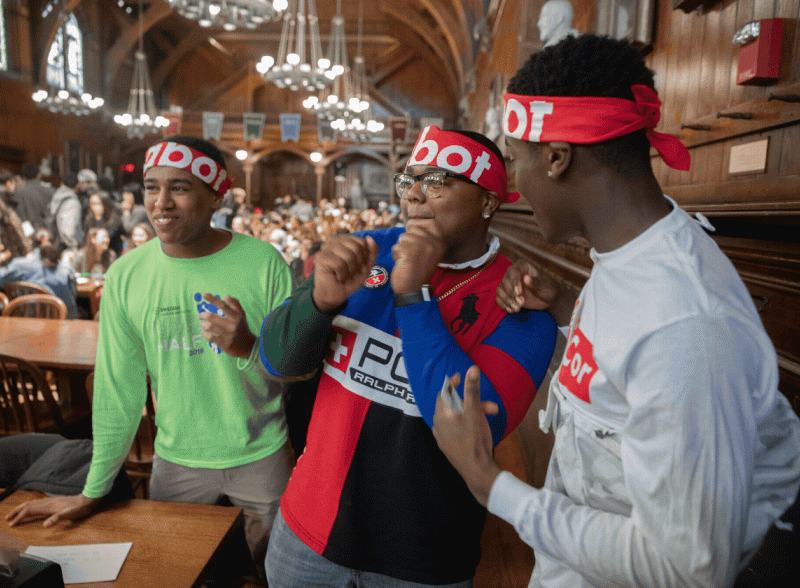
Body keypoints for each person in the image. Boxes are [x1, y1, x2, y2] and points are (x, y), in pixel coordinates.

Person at [431, 35, 800, 588]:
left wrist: (490, 483)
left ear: (556, 158)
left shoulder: (684, 323)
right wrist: (563, 306)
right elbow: (626, 375)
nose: (511, 186)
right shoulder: (632, 252)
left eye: (515, 161)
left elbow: (687, 567)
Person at [252, 126, 558, 587]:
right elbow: (275, 362)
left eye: (437, 181)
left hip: (422, 557)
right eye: (409, 180)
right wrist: (318, 302)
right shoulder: (368, 251)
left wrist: (415, 297)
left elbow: (478, 428)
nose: (414, 193)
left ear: (488, 201)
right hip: (305, 533)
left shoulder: (521, 304)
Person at [6, 135, 296, 581]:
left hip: (263, 453)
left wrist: (249, 346)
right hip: (176, 458)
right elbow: (118, 391)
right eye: (151, 187)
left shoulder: (263, 263)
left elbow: (298, 374)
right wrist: (93, 489)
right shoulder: (127, 274)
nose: (161, 202)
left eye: (180, 187)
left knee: (273, 575)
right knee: (174, 574)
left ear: (216, 194)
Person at [0, 229, 79, 319]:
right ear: (53, 244)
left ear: (32, 244)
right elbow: (73, 300)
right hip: (58, 323)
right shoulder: (66, 268)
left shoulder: (20, 265)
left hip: (24, 319)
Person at [12, 163, 53, 236]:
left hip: (28, 231)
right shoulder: (49, 190)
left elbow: (19, 214)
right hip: (48, 229)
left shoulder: (18, 192)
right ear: (38, 174)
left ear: (23, 176)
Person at [48, 172, 83, 252]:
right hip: (67, 246)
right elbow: (68, 228)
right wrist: (74, 246)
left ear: (62, 183)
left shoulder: (56, 196)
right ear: (77, 185)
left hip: (57, 241)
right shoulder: (72, 202)